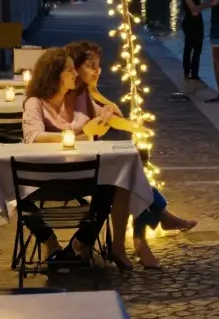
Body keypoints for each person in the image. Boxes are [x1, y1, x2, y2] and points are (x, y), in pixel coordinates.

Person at [66, 41, 198, 268]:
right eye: (90, 65)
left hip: (97, 163)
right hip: (83, 168)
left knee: (132, 173)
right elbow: (101, 121)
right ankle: (149, 230)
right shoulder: (74, 98)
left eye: (98, 65)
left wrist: (136, 126)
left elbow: (114, 114)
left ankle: (145, 234)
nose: (97, 70)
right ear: (75, 68)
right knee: (131, 178)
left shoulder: (88, 94)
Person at [20, 48, 135, 271]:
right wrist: (71, 137)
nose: (75, 74)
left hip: (80, 177)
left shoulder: (74, 100)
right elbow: (32, 137)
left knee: (113, 183)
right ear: (55, 75)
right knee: (14, 193)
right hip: (45, 180)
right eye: (70, 69)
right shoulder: (35, 103)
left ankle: (81, 242)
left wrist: (107, 112)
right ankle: (50, 241)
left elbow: (105, 116)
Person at [179, 0, 205, 81]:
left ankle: (192, 72)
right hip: (190, 19)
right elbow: (192, 7)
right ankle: (190, 72)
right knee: (191, 46)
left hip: (196, 19)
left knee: (195, 46)